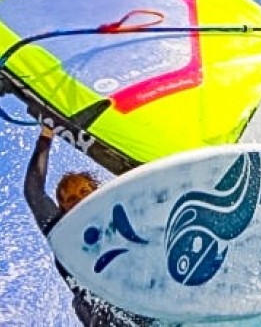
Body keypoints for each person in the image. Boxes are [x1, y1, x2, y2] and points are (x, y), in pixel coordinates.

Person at [23, 124, 159, 326]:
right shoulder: (62, 231)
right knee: (85, 301)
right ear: (63, 209)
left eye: (84, 192)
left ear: (96, 191)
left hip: (146, 299)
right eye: (70, 199)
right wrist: (46, 136)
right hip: (103, 312)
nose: (79, 199)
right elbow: (33, 192)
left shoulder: (121, 215)